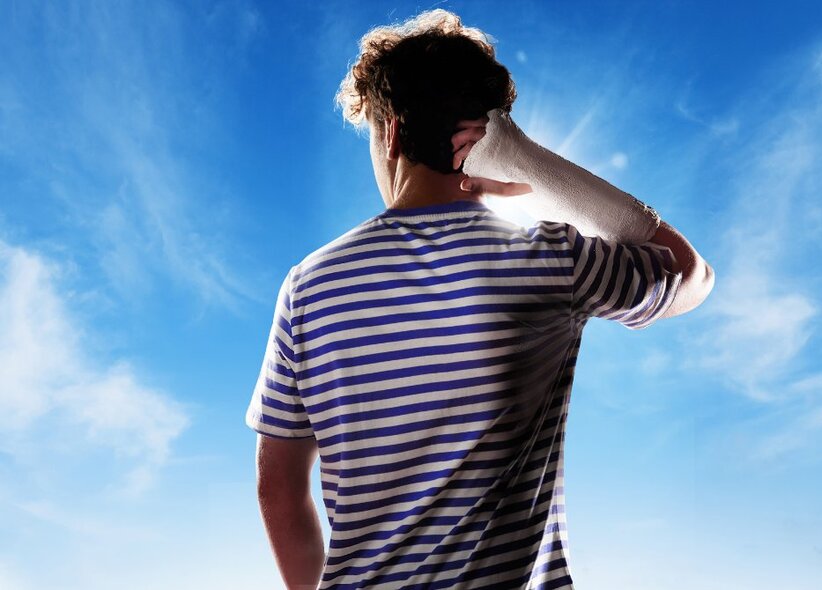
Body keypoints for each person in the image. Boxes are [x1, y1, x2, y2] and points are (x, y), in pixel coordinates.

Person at [245, 8, 714, 589]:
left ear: (389, 132)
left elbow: (279, 489)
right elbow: (692, 275)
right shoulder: (554, 260)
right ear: (492, 138)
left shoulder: (309, 284)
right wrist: (533, 165)